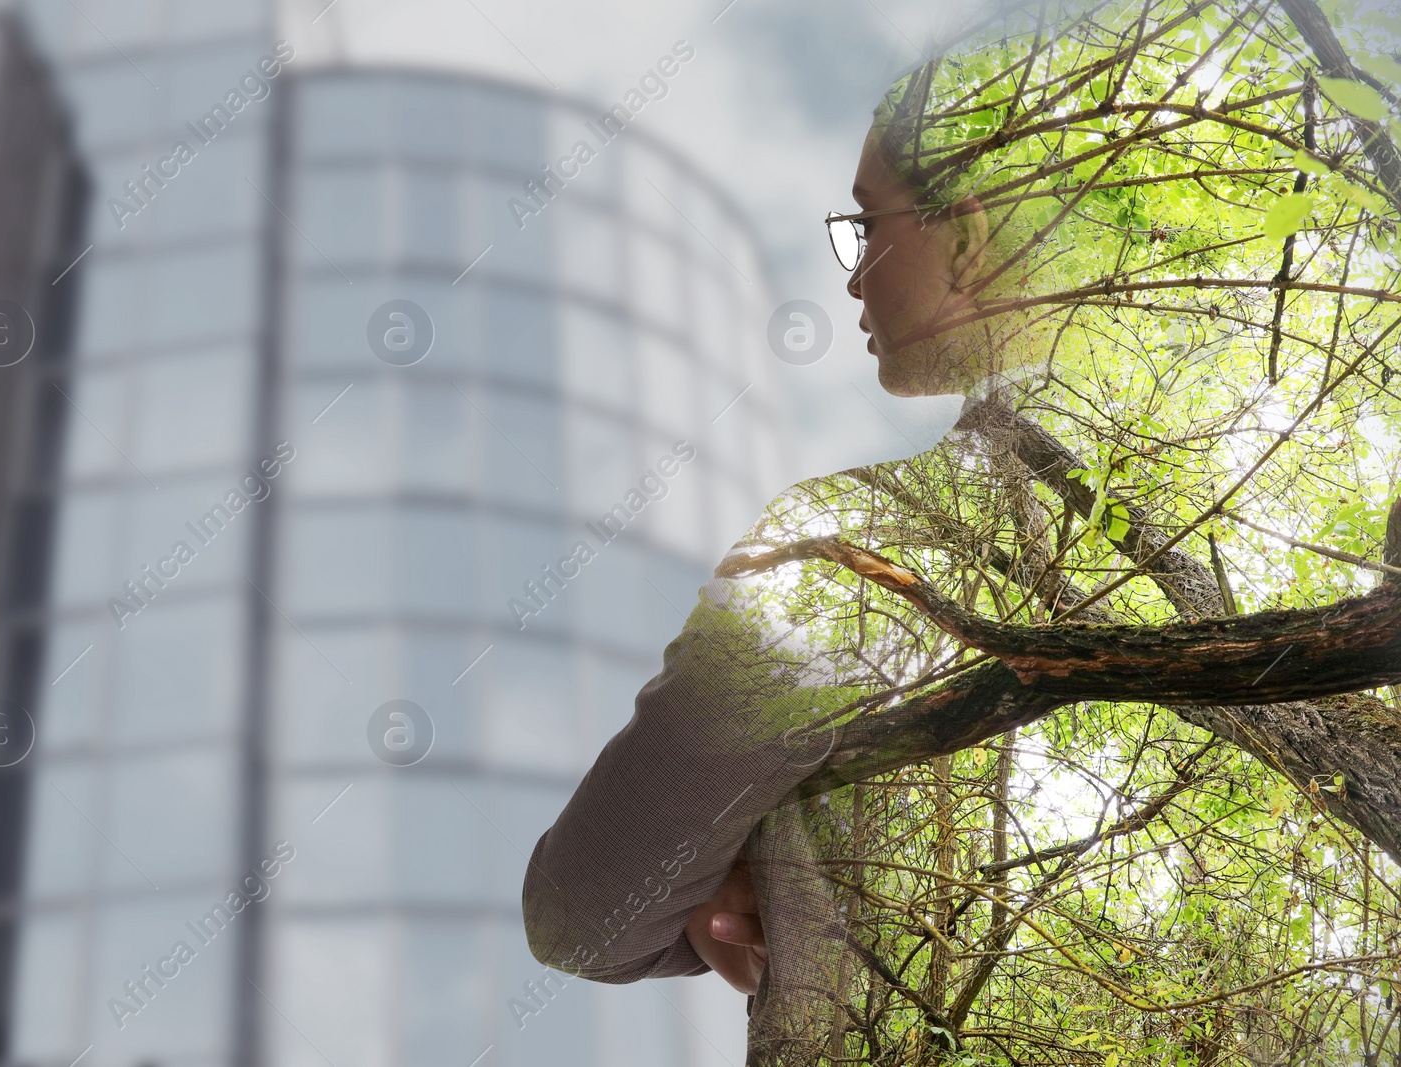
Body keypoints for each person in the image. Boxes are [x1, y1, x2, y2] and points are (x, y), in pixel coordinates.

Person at [524, 0, 1401, 1062]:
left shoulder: (846, 549)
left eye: (868, 225)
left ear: (971, 238)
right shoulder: (1333, 526)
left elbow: (581, 910)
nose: (851, 275)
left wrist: (757, 854)